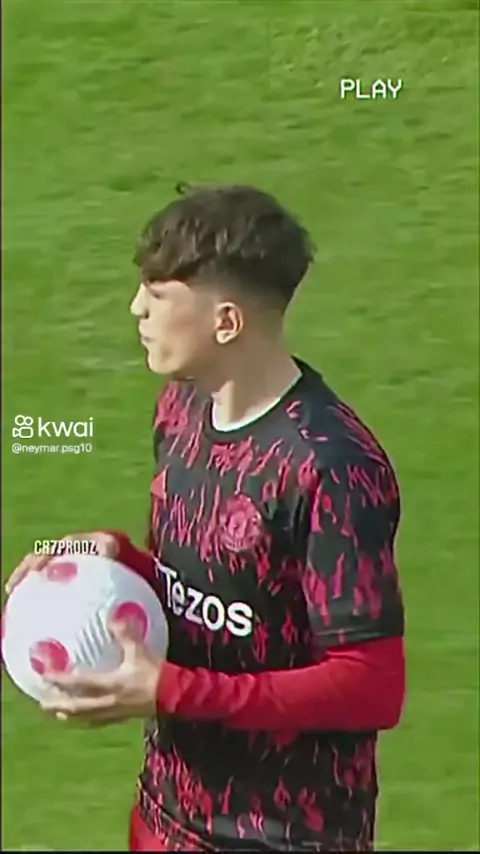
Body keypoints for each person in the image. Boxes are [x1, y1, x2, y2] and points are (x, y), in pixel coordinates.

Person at [7, 184, 406, 852]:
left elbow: (371, 685)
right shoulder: (181, 409)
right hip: (165, 814)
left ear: (226, 322)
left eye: (158, 293)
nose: (136, 308)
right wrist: (117, 561)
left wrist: (172, 689)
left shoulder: (329, 467)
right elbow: (204, 592)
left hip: (283, 835)